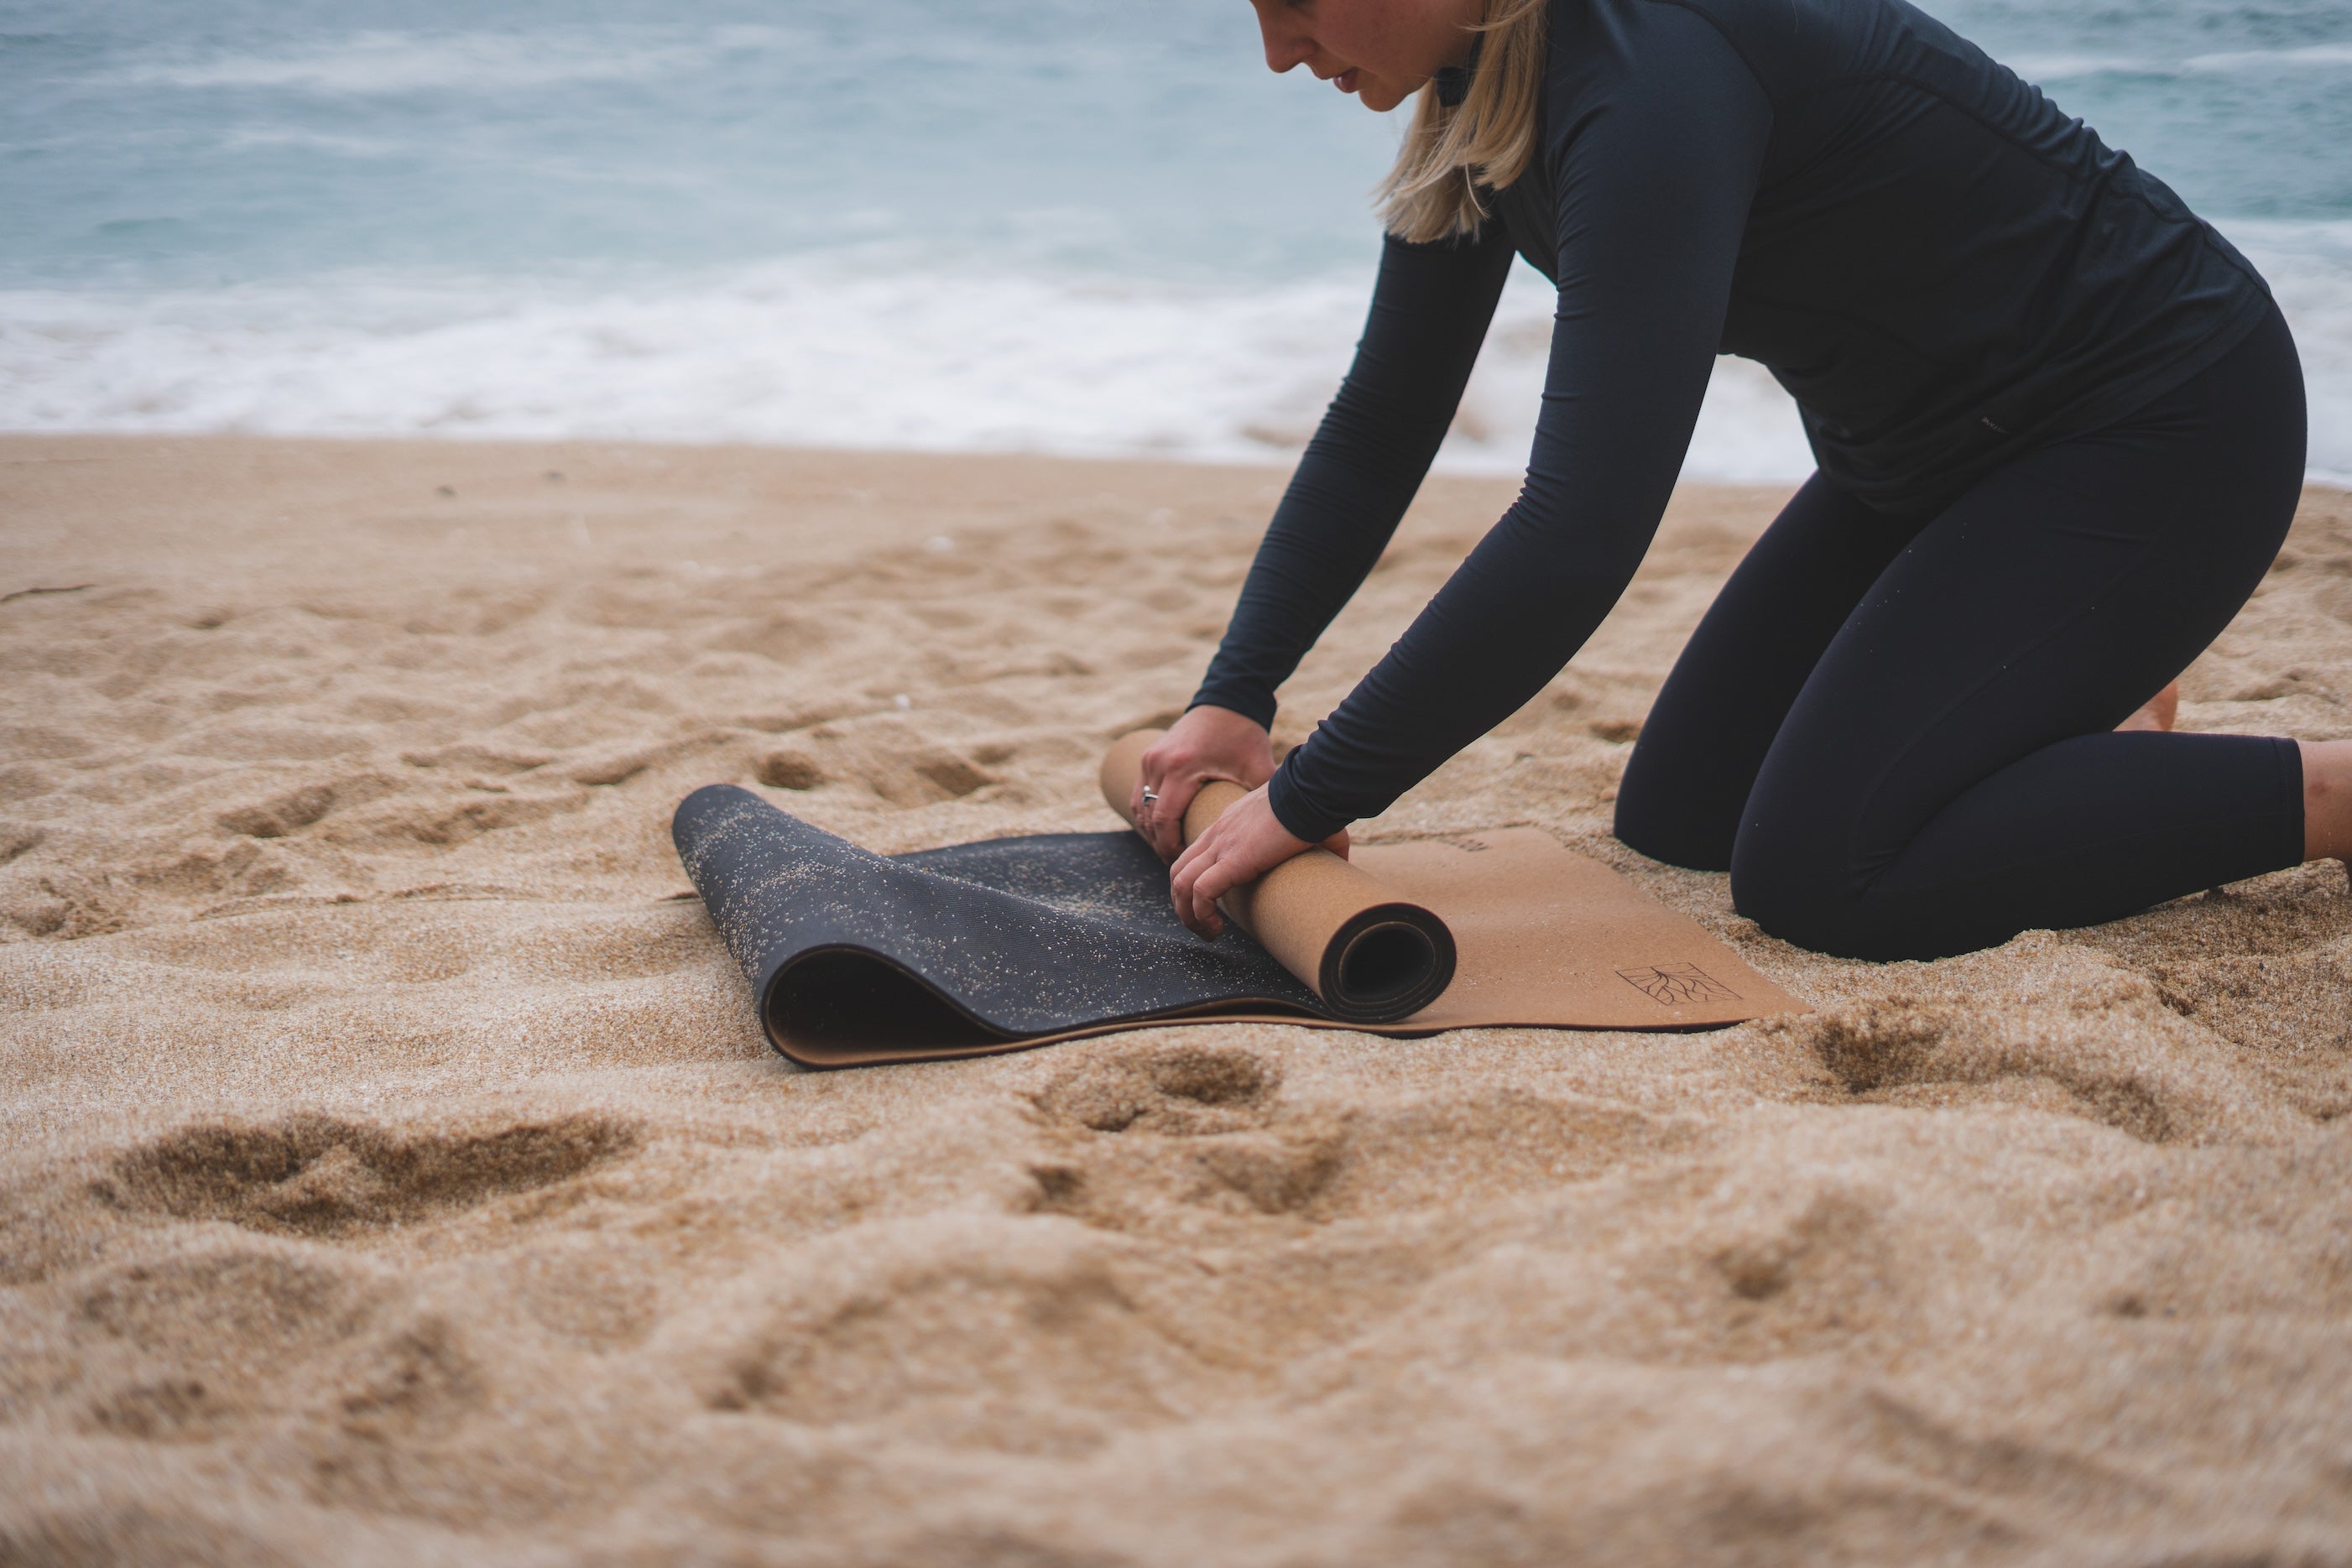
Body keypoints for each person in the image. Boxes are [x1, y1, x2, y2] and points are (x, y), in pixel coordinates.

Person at [1130, 0, 2351, 962]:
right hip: (1928, 461)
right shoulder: (1482, 86)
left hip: (2159, 423)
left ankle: (2335, 792)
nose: (1280, 51)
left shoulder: (1653, 72)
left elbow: (1579, 532)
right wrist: (1238, 693)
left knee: (1824, 873)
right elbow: (1385, 421)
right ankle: (2102, 702)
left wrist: (1312, 794)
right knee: (1682, 814)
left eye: (1295, 0)